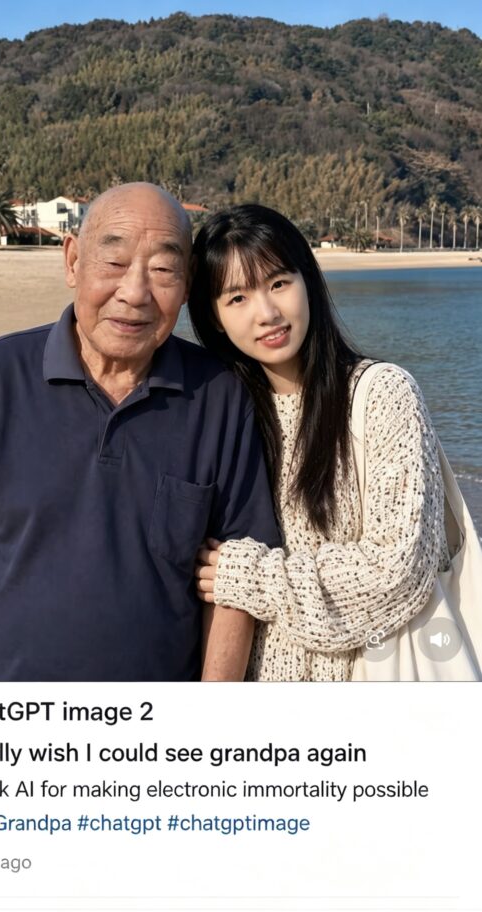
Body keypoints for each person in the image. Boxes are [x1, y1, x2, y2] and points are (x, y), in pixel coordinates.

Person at [0, 185, 280, 681]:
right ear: (73, 261)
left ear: (186, 284)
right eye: (113, 263)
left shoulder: (219, 396)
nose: (135, 292)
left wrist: (209, 727)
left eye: (162, 270)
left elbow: (233, 588)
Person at [189, 204, 448, 681]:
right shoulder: (224, 415)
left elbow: (400, 569)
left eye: (279, 284)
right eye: (237, 298)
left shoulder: (382, 395)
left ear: (307, 280)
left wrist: (251, 577)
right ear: (215, 318)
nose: (267, 314)